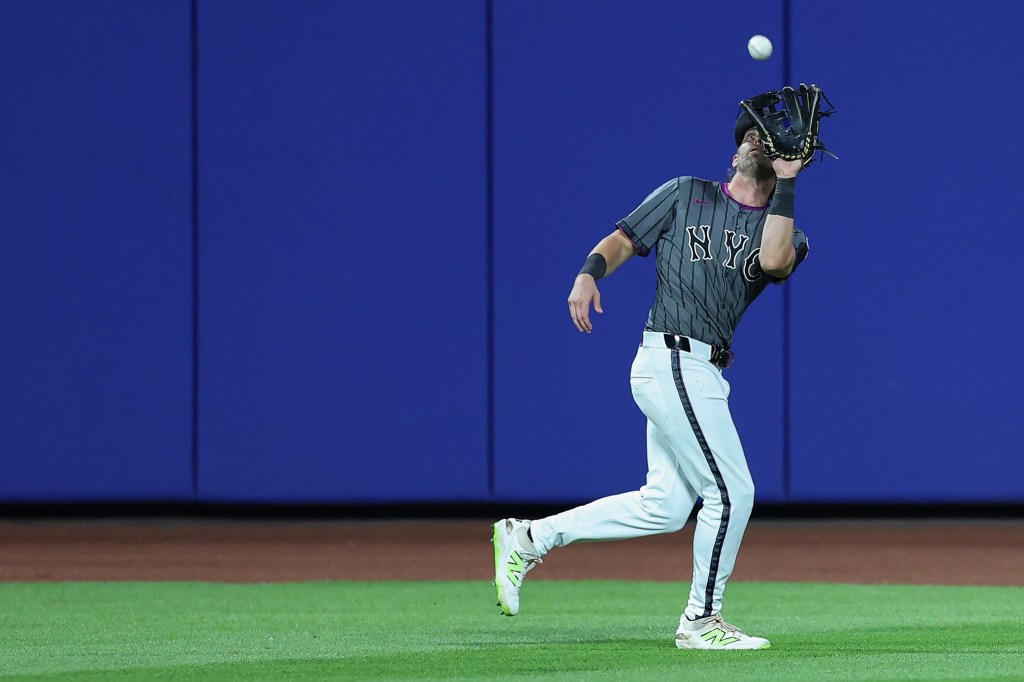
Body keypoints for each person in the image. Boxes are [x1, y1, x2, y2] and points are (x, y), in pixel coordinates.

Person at [491, 104, 811, 651]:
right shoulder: (686, 192)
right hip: (672, 359)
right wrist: (588, 274)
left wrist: (785, 183)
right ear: (736, 144)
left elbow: (777, 261)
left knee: (665, 506)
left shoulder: (786, 229)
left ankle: (529, 537)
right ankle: (701, 620)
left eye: (770, 138)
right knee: (733, 493)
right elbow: (622, 240)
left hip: (702, 369)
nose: (756, 141)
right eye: (751, 133)